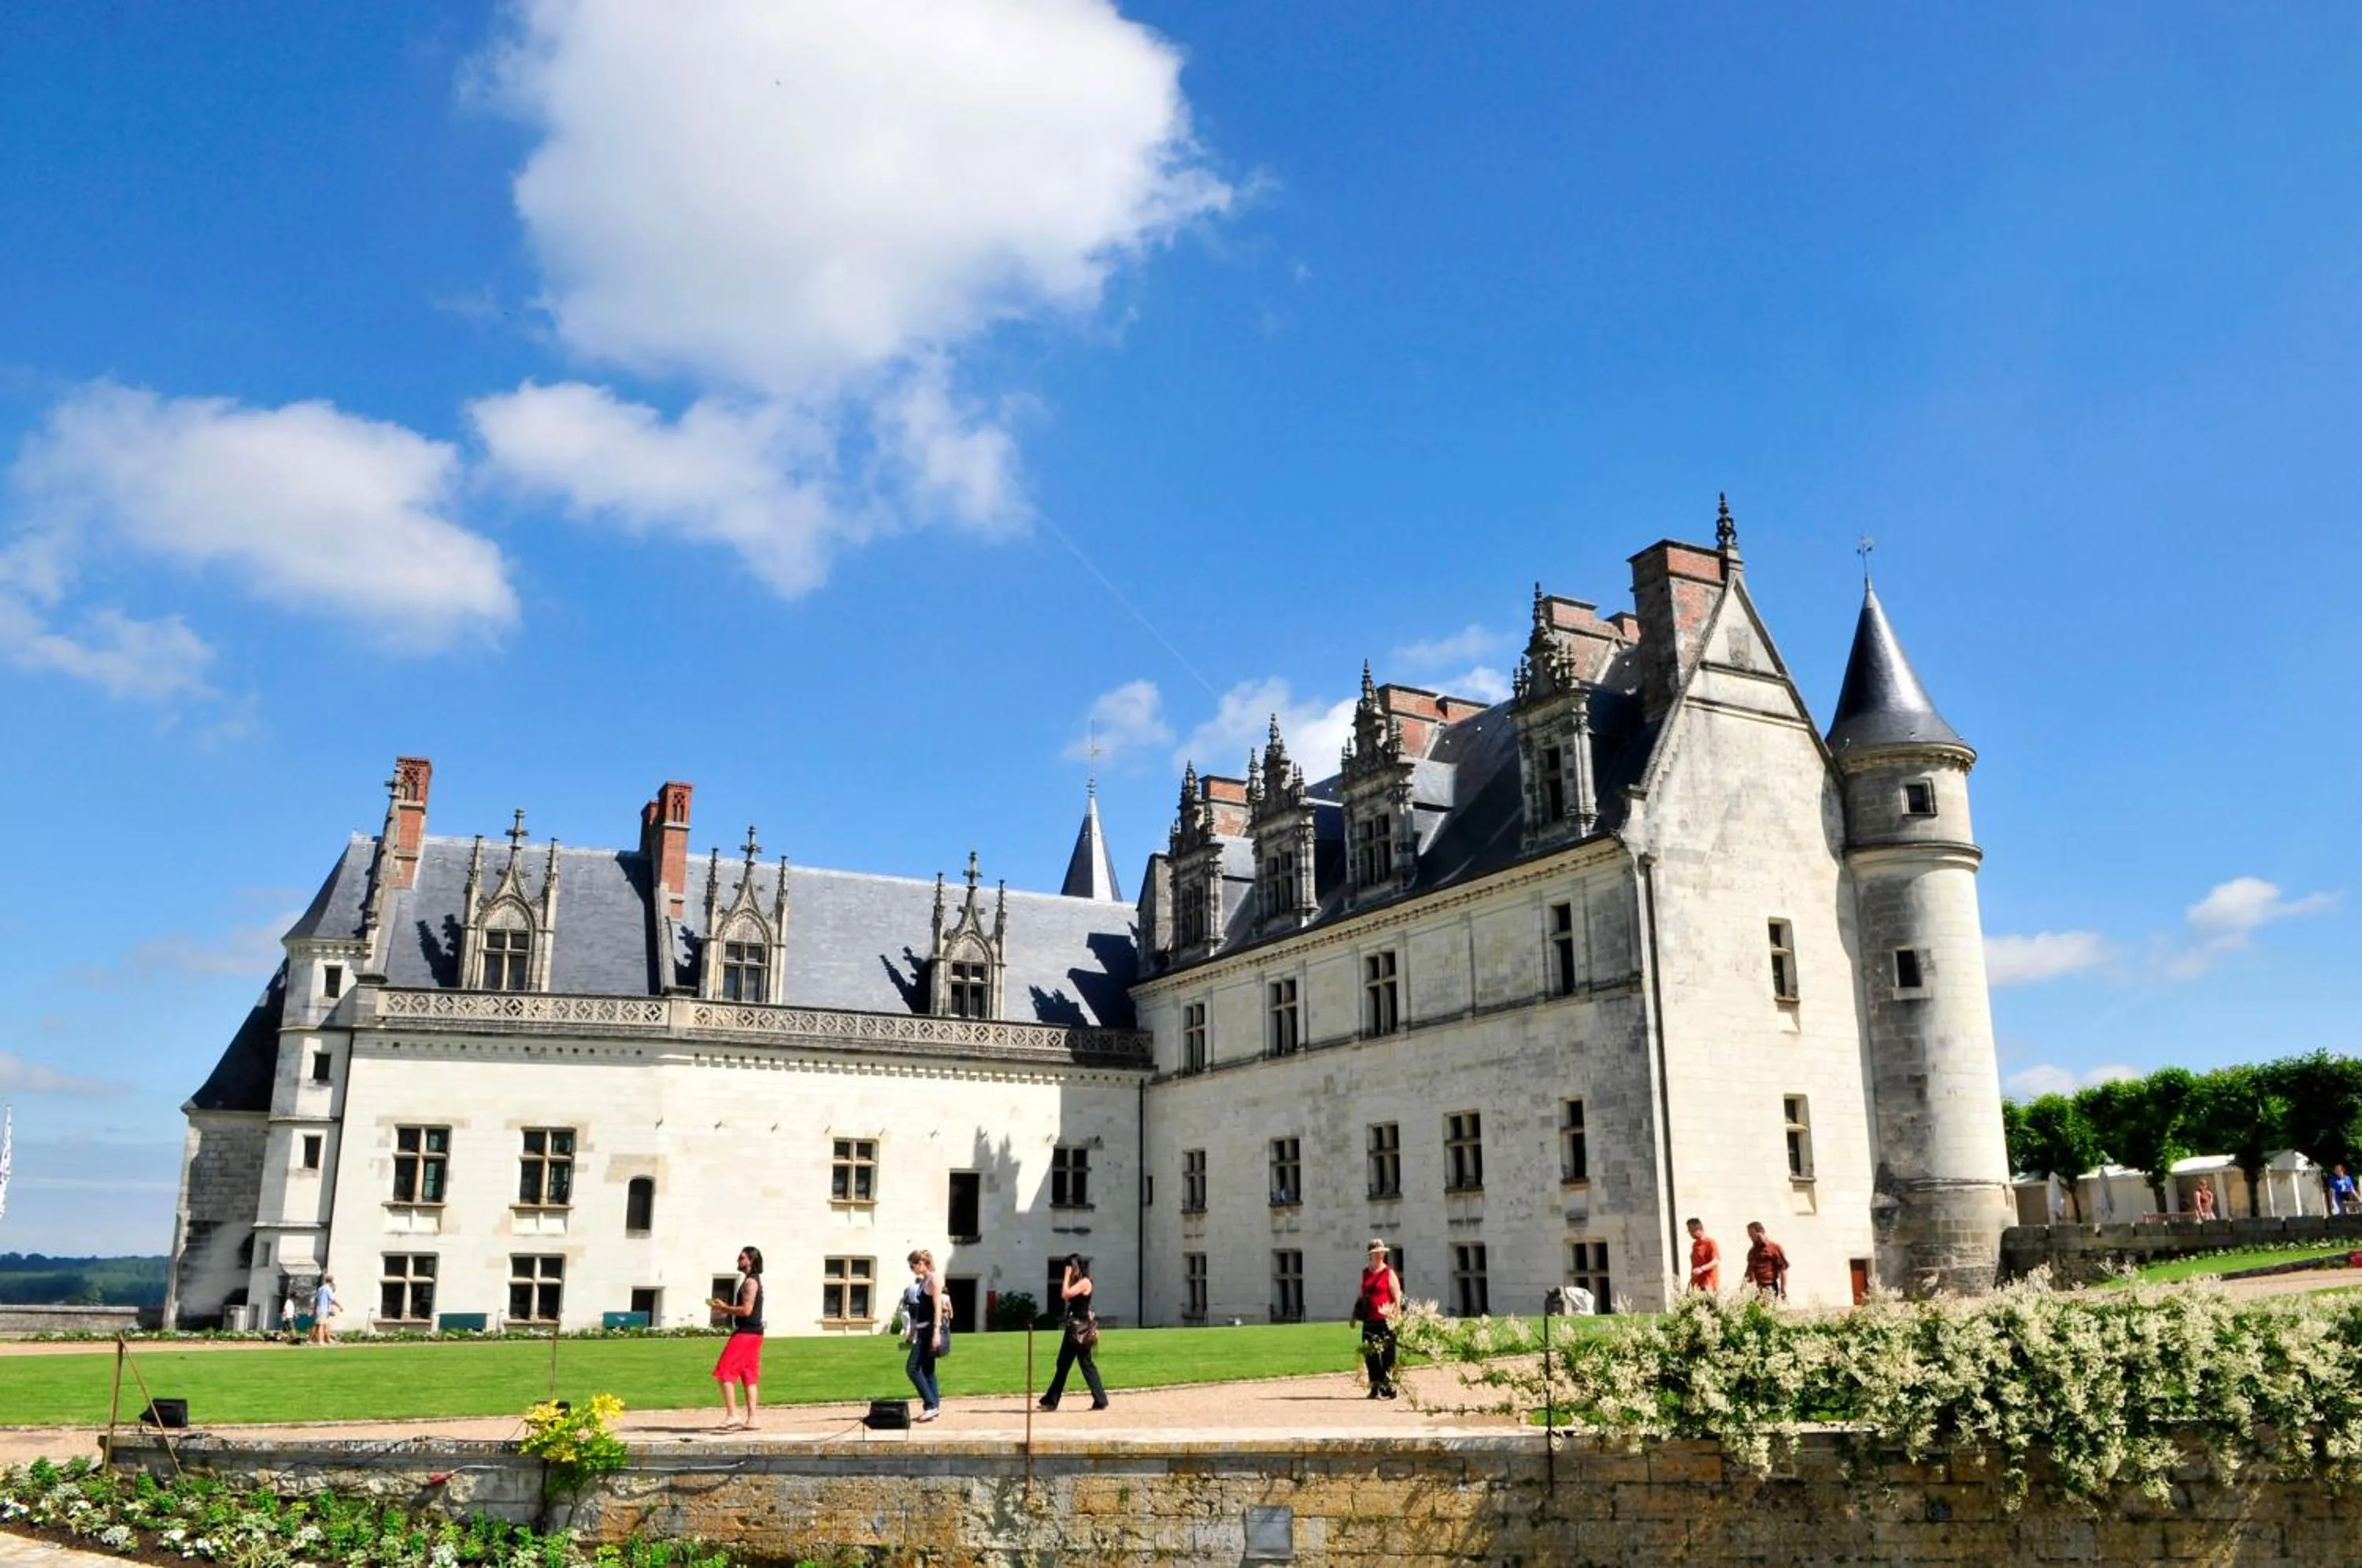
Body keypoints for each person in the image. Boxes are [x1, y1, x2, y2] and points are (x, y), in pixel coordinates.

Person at [1038, 1255, 1108, 1411]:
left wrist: (1067, 1276)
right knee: (1065, 1363)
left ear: (1076, 1267)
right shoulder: (1079, 1283)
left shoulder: (1085, 1282)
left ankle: (1052, 1401)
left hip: (1079, 1330)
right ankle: (1051, 1400)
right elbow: (1083, 1306)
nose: (1067, 1270)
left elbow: (1065, 1294)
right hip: (1074, 1328)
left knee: (1083, 1364)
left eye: (1069, 1267)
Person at [707, 1245, 765, 1429]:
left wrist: (724, 1308)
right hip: (754, 1333)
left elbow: (746, 1310)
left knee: (724, 1371)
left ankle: (733, 1415)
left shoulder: (750, 1283)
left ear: (751, 1260)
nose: (738, 1261)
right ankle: (753, 1419)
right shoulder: (753, 1280)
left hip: (746, 1333)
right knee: (749, 1374)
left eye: (741, 1258)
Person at [900, 1249, 948, 1422]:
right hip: (922, 1330)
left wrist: (936, 1332)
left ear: (921, 1263)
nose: (911, 1268)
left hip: (929, 1331)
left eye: (912, 1265)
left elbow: (937, 1308)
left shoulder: (934, 1279)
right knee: (928, 1370)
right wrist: (912, 1332)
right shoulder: (924, 1281)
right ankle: (934, 1407)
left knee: (912, 1368)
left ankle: (930, 1405)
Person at [1357, 1239, 1402, 1400]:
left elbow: (1397, 1294)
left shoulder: (1388, 1272)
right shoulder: (1365, 1273)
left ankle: (1390, 1387)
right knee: (1371, 1356)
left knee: (1388, 1356)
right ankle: (1375, 1387)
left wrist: (1397, 1311)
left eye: (1382, 1252)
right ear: (1371, 1255)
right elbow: (1362, 1296)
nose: (1381, 1255)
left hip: (1386, 1320)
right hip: (1369, 1320)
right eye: (1378, 1252)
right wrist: (1354, 1316)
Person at [1743, 1222, 1789, 1300]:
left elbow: (1783, 1269)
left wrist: (1783, 1289)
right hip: (1756, 1288)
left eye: (1751, 1234)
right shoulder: (1753, 1251)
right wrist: (1743, 1287)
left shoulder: (1774, 1247)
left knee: (1767, 1310)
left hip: (1769, 1286)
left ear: (1759, 1232)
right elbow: (1749, 1270)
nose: (1750, 1237)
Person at [1686, 1219, 1720, 1292]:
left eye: (1692, 1230)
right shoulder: (1695, 1245)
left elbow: (1716, 1261)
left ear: (1700, 1229)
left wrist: (1702, 1269)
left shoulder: (1710, 1243)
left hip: (1708, 1284)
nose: (1690, 1233)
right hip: (1696, 1284)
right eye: (1689, 1231)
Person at [309, 1274, 338, 1344]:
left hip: (321, 1310)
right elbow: (333, 1300)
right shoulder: (327, 1289)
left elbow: (317, 1300)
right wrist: (340, 1307)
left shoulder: (320, 1288)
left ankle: (327, 1340)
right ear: (331, 1281)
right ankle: (320, 1341)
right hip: (323, 1310)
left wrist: (314, 1310)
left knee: (323, 1325)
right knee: (321, 1325)